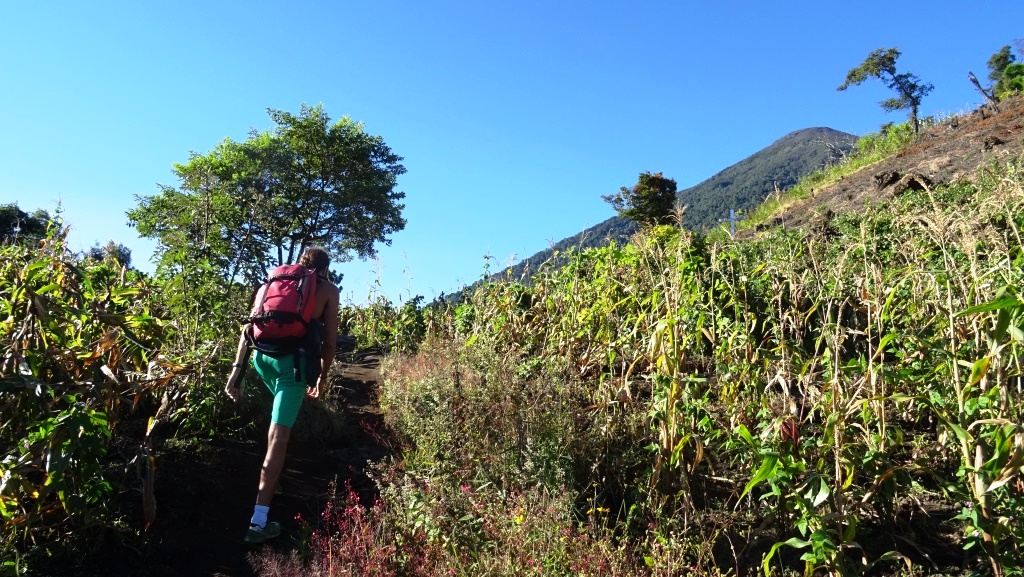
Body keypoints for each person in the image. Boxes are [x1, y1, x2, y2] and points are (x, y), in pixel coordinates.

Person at [224, 247, 340, 544]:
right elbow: (329, 344)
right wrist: (322, 377)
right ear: (324, 269)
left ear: (300, 264)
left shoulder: (273, 281)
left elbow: (248, 329)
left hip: (261, 360)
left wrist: (236, 374)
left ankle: (272, 481)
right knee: (279, 435)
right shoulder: (328, 289)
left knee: (277, 422)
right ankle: (258, 522)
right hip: (292, 368)